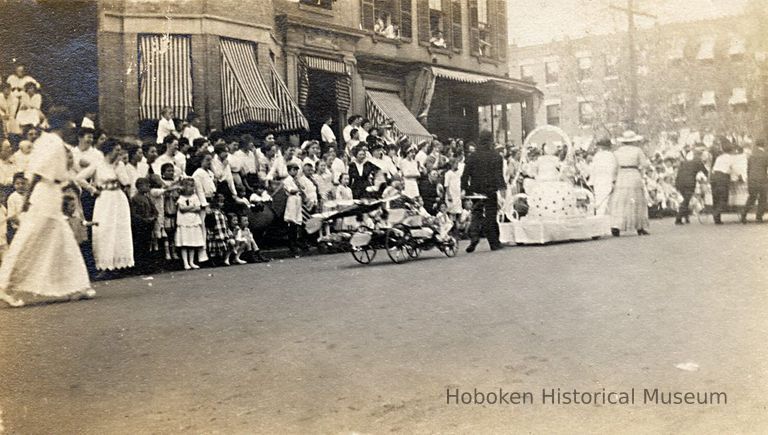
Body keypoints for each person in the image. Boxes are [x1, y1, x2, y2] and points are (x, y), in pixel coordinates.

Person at [0, 129, 93, 307]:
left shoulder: (50, 142)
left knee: (62, 240)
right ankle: (5, 285)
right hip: (44, 196)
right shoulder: (52, 142)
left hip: (50, 194)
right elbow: (37, 174)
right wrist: (27, 199)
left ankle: (77, 286)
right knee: (31, 239)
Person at [76, 139, 134, 270]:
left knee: (120, 228)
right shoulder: (98, 164)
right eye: (117, 150)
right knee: (104, 229)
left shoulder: (120, 165)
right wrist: (92, 189)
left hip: (118, 198)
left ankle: (121, 264)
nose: (119, 153)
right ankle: (104, 264)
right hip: (104, 198)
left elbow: (126, 182)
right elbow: (79, 178)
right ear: (109, 150)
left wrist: (118, 167)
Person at [461, 130, 506, 252]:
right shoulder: (497, 156)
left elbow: (465, 175)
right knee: (491, 215)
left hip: (476, 190)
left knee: (476, 214)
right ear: (490, 140)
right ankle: (494, 242)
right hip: (490, 190)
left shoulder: (472, 157)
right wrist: (502, 190)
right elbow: (499, 176)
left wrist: (464, 188)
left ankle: (474, 237)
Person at [608, 131, 651, 236]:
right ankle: (639, 227)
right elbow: (645, 164)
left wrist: (613, 180)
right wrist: (640, 169)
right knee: (636, 200)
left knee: (621, 201)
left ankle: (616, 226)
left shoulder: (617, 152)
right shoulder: (638, 150)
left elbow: (614, 167)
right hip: (633, 174)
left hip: (622, 175)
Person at [174, 177, 205, 269]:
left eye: (193, 186)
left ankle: (191, 262)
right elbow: (182, 209)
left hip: (193, 221)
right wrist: (192, 207)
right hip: (184, 222)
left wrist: (190, 208)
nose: (192, 188)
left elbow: (198, 208)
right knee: (185, 243)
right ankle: (185, 262)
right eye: (190, 186)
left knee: (192, 243)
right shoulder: (181, 198)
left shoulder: (195, 197)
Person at [130, 177, 158, 273]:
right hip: (140, 226)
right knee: (140, 245)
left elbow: (154, 210)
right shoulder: (135, 199)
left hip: (148, 225)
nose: (148, 186)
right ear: (139, 186)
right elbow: (134, 214)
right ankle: (140, 266)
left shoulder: (147, 198)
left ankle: (146, 266)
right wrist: (144, 220)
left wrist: (153, 217)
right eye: (146, 185)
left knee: (147, 245)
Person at [711, 139, 736, 225]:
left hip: (714, 177)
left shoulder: (719, 157)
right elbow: (732, 169)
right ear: (731, 150)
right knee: (723, 198)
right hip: (722, 178)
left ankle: (717, 219)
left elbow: (714, 169)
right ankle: (716, 213)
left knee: (716, 198)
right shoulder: (731, 158)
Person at [589, 139, 617, 215]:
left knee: (599, 199)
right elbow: (614, 168)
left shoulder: (597, 156)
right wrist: (614, 180)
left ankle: (600, 216)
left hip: (598, 180)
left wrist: (592, 180)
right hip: (607, 179)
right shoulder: (611, 155)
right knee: (608, 200)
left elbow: (593, 169)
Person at [742, 140, 768, 223]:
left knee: (751, 197)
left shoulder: (751, 156)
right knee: (763, 198)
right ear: (764, 146)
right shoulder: (766, 155)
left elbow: (748, 169)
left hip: (752, 179)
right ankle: (758, 217)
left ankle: (744, 214)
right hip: (762, 179)